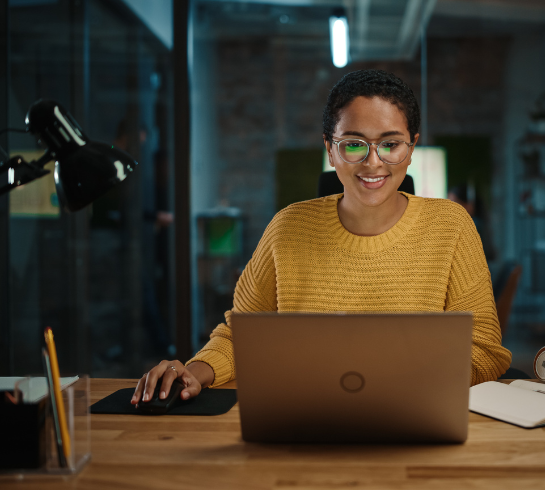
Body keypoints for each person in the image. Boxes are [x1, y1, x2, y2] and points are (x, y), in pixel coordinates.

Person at [131, 69, 512, 406]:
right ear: (331, 149)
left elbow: (485, 352)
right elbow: (240, 335)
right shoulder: (287, 228)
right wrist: (194, 372)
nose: (373, 162)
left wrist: (400, 381)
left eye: (391, 144)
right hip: (306, 420)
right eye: (354, 144)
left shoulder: (451, 225)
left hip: (415, 418)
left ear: (411, 147)